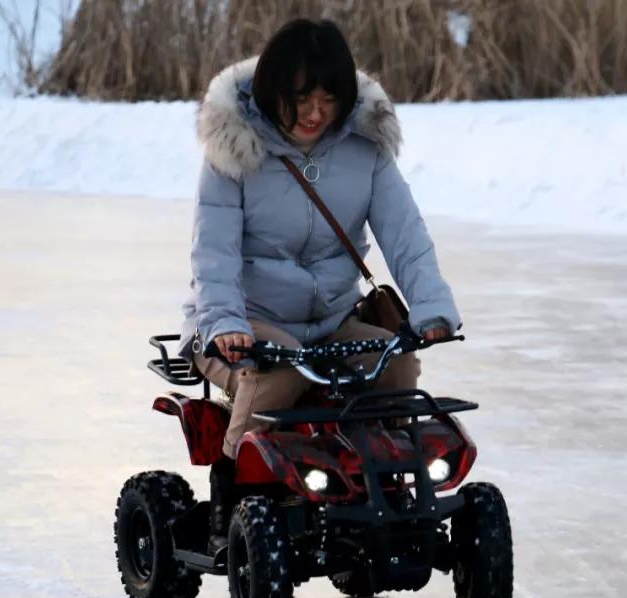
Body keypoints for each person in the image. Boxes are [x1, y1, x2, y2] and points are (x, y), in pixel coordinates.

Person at [179, 18, 461, 549]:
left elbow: (405, 234)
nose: (315, 113)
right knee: (274, 379)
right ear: (272, 91)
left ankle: (389, 495)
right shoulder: (232, 152)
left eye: (329, 98)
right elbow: (212, 254)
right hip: (245, 322)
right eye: (301, 97)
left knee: (395, 364)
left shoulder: (364, 148)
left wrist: (431, 309)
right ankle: (231, 496)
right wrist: (225, 325)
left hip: (332, 320)